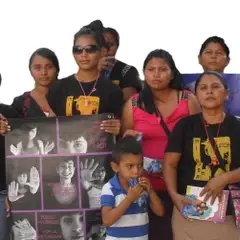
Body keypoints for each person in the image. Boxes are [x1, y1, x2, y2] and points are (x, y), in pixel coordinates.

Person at [121, 49, 201, 240]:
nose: (156, 74)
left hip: (183, 183)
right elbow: (124, 147)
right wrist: (127, 138)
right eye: (151, 69)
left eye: (162, 69)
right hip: (146, 185)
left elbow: (200, 139)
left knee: (184, 234)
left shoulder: (188, 100)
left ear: (172, 73)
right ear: (144, 73)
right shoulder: (133, 104)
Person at [163, 71, 240, 239]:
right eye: (203, 88)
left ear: (227, 94)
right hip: (190, 211)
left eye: (215, 87)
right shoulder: (185, 126)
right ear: (196, 95)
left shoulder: (237, 126)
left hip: (229, 215)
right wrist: (174, 196)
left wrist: (225, 178)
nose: (209, 91)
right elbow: (169, 164)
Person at [47, 21, 122, 136]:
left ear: (101, 51)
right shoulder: (58, 88)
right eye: (78, 49)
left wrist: (118, 129)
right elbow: (49, 128)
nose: (83, 54)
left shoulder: (112, 90)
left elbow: (118, 129)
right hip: (65, 151)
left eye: (90, 49)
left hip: (100, 152)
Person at [100, 136, 164, 240]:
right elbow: (107, 220)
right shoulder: (109, 188)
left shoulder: (142, 186)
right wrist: (129, 199)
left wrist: (151, 191)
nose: (136, 171)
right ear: (115, 167)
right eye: (130, 166)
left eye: (139, 165)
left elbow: (160, 212)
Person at [97, 27, 142, 101]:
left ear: (117, 46)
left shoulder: (128, 71)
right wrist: (97, 72)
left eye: (111, 45)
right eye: (101, 45)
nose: (106, 49)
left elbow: (130, 103)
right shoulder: (89, 70)